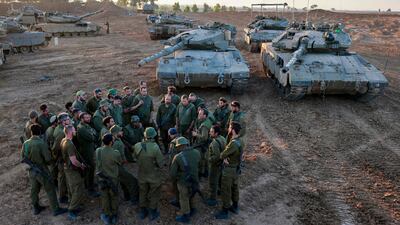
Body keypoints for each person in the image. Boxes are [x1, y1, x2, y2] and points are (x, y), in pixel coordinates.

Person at [21, 124, 67, 216]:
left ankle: (36, 207)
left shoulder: (26, 143)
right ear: (40, 132)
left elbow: (23, 157)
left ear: (31, 132)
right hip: (42, 170)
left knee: (34, 189)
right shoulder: (41, 143)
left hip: (31, 171)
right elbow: (48, 159)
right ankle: (55, 209)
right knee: (50, 189)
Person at [215, 121, 244, 219]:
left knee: (226, 190)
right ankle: (235, 206)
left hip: (229, 170)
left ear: (233, 130)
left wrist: (224, 157)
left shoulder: (233, 144)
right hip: (235, 168)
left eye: (229, 128)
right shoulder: (240, 141)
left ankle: (225, 210)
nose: (228, 129)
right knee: (234, 188)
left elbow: (222, 154)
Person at [133, 127, 163, 221]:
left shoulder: (137, 145)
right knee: (154, 193)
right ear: (154, 136)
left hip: (142, 174)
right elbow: (161, 164)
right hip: (153, 175)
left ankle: (143, 211)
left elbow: (134, 158)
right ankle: (152, 211)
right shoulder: (155, 147)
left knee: (143, 192)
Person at [169, 137, 201, 223]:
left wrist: (175, 179)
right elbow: (200, 165)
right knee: (192, 194)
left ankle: (186, 215)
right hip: (195, 180)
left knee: (184, 198)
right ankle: (193, 209)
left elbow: (172, 174)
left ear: (179, 146)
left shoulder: (177, 157)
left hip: (183, 182)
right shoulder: (197, 152)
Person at [95, 134, 122, 225]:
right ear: (111, 142)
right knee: (113, 196)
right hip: (112, 179)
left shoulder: (98, 151)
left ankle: (106, 214)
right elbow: (120, 162)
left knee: (104, 196)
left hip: (102, 178)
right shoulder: (115, 153)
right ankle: (114, 214)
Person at [61, 125, 85, 221]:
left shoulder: (63, 140)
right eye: (74, 130)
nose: (75, 131)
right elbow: (74, 161)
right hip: (72, 169)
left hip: (67, 168)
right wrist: (81, 165)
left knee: (71, 189)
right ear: (70, 132)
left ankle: (73, 205)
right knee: (78, 188)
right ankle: (72, 210)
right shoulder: (69, 144)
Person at [110, 125, 139, 204]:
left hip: (118, 166)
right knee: (132, 181)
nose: (122, 132)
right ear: (115, 133)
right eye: (120, 131)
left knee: (123, 182)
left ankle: (127, 196)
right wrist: (123, 161)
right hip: (118, 166)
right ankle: (134, 199)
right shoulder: (116, 143)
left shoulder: (117, 139)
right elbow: (114, 156)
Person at [77, 112, 98, 196]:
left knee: (91, 168)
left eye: (89, 117)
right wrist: (92, 133)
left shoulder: (86, 126)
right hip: (86, 152)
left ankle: (90, 184)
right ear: (82, 119)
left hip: (89, 150)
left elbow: (94, 133)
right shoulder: (81, 128)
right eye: (86, 118)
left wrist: (92, 133)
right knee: (90, 168)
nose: (88, 119)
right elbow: (91, 137)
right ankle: (90, 188)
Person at [52, 113, 71, 204]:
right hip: (61, 158)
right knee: (62, 177)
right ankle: (62, 196)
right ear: (63, 121)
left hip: (63, 157)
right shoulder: (60, 132)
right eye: (67, 119)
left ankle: (64, 192)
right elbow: (55, 148)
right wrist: (60, 158)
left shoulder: (61, 129)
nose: (69, 120)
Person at [206, 125, 226, 206]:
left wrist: (209, 159)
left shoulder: (214, 143)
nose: (210, 133)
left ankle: (212, 199)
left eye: (211, 132)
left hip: (214, 165)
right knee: (219, 178)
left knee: (213, 182)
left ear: (216, 133)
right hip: (221, 164)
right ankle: (220, 191)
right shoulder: (222, 138)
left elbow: (216, 156)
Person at [192, 108, 212, 178]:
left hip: (203, 145)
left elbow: (204, 137)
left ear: (205, 116)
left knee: (201, 160)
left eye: (200, 114)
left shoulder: (204, 126)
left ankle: (201, 174)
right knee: (205, 160)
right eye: (198, 113)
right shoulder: (208, 121)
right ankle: (206, 173)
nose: (198, 115)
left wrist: (195, 134)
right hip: (206, 145)